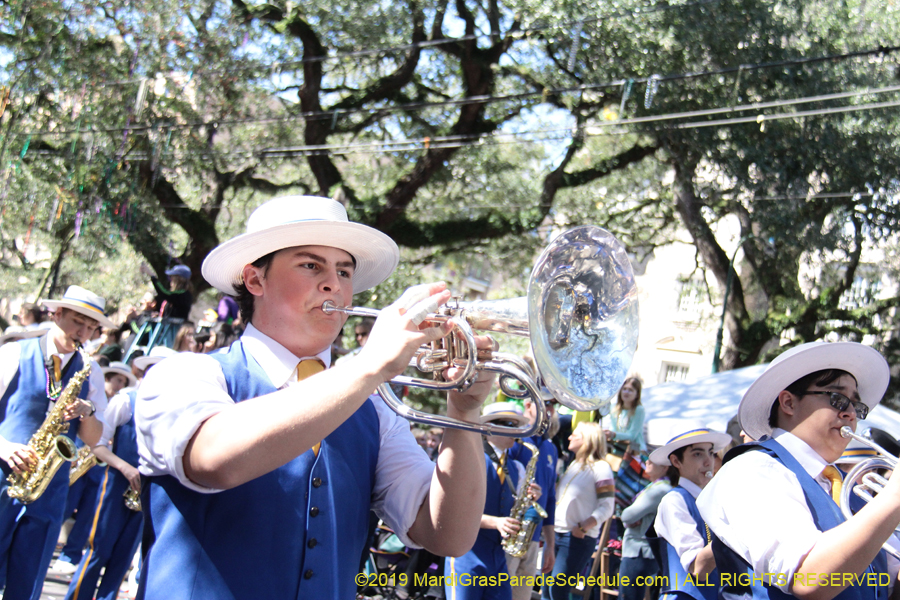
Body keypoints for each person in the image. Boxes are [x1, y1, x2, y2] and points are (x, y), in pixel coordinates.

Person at [134, 195, 495, 599]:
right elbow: (213, 459)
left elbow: (449, 536)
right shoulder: (185, 373)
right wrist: (367, 365)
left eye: (344, 271)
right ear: (255, 280)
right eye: (311, 265)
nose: (334, 285)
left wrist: (463, 416)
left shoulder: (374, 407)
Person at [697, 341, 899, 600]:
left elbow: (887, 585)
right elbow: (807, 577)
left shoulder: (846, 487)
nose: (851, 414)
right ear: (789, 403)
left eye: (856, 406)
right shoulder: (751, 470)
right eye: (838, 399)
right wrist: (894, 498)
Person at [0, 285, 113, 600]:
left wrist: (87, 412)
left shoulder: (91, 372)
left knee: (29, 577)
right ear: (57, 313)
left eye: (92, 327)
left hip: (50, 486)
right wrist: (5, 447)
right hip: (4, 472)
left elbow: (93, 439)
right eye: (79, 322)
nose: (85, 333)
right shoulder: (12, 353)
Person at [64, 348, 176, 600]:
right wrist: (124, 467)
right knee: (99, 550)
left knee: (123, 557)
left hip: (144, 491)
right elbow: (98, 444)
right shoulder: (126, 401)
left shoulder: (171, 411)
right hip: (116, 484)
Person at [53, 361, 138, 574]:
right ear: (107, 379)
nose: (120, 385)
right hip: (81, 457)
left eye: (123, 382)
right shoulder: (100, 399)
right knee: (64, 505)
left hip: (98, 467)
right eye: (118, 380)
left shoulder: (117, 402)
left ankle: (70, 554)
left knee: (88, 512)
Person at [445, 402, 532, 600]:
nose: (516, 431)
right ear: (490, 428)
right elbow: (455, 512)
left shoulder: (517, 468)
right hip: (465, 555)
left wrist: (529, 500)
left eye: (517, 425)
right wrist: (495, 522)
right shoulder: (469, 459)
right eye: (510, 424)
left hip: (498, 558)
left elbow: (515, 511)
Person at [651, 423, 731, 600]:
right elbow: (698, 568)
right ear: (676, 461)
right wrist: (736, 526)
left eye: (711, 452)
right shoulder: (674, 500)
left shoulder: (712, 500)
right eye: (697, 454)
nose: (708, 461)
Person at [543, 422, 615, 600]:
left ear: (588, 440)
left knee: (557, 589)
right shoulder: (574, 464)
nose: (569, 436)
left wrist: (583, 528)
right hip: (556, 535)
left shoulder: (601, 468)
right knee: (546, 590)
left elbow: (607, 506)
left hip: (575, 538)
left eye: (575, 434)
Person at [506, 390, 559, 600]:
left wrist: (550, 546)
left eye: (552, 405)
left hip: (532, 538)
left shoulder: (550, 447)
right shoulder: (515, 438)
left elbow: (551, 500)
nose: (550, 410)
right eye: (545, 404)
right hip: (509, 533)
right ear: (529, 405)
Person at [618, 453, 672, 600]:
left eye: (653, 460)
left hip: (639, 552)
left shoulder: (659, 490)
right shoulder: (656, 486)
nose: (647, 461)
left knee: (628, 597)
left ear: (665, 467)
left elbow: (627, 515)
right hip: (641, 551)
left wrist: (628, 518)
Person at [606, 377, 646, 453]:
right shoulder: (614, 408)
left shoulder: (639, 410)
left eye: (630, 390)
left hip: (635, 451)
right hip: (617, 448)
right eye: (624, 389)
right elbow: (613, 429)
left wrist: (613, 435)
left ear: (637, 394)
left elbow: (632, 436)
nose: (626, 392)